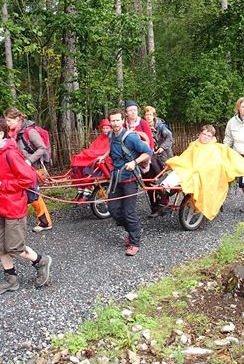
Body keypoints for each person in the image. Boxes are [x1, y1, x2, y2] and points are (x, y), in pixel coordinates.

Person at [0, 118, 53, 295]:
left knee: (14, 247)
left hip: (13, 208)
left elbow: (29, 179)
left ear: (0, 134)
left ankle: (41, 261)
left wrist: (3, 185)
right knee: (0, 247)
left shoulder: (10, 154)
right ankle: (11, 280)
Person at [162, 125, 244, 220]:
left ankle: (168, 189)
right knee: (179, 170)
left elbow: (216, 163)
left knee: (188, 174)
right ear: (199, 134)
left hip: (206, 172)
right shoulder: (194, 144)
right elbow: (186, 156)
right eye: (204, 134)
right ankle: (165, 187)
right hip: (189, 166)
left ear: (212, 137)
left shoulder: (214, 148)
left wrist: (201, 169)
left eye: (208, 135)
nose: (205, 137)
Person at [97, 109, 152, 256]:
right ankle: (133, 231)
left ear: (123, 121)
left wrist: (135, 162)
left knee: (129, 212)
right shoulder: (110, 136)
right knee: (113, 209)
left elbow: (148, 152)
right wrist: (104, 156)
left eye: (117, 120)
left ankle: (135, 242)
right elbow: (112, 148)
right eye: (112, 121)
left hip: (130, 179)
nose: (114, 123)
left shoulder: (131, 138)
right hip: (116, 178)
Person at [4, 107, 53, 232]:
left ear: (18, 119)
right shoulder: (12, 134)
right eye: (6, 121)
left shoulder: (29, 132)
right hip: (20, 169)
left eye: (9, 121)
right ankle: (16, 221)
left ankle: (45, 222)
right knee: (24, 195)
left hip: (33, 168)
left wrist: (29, 160)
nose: (7, 124)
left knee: (33, 195)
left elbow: (42, 148)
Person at [70, 118, 113, 202]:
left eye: (107, 128)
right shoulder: (100, 138)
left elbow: (108, 151)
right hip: (95, 158)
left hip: (104, 161)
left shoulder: (112, 138)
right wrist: (89, 153)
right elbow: (92, 148)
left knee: (89, 169)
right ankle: (81, 190)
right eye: (103, 128)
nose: (105, 130)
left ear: (110, 128)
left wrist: (94, 154)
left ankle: (87, 190)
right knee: (80, 167)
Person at [143, 106, 173, 217]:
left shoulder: (161, 127)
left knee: (162, 179)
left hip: (162, 156)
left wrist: (162, 147)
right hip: (149, 158)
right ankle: (154, 207)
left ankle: (164, 201)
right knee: (149, 181)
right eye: (146, 115)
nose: (148, 117)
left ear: (154, 115)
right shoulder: (143, 127)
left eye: (150, 114)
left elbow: (170, 138)